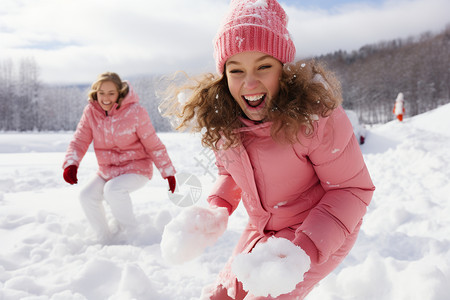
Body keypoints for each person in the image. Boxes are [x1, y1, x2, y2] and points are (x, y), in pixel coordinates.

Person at [160, 0, 375, 299]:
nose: (250, 82)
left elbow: (351, 189)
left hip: (321, 229)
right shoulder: (225, 121)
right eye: (236, 71)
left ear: (284, 70)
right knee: (221, 296)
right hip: (263, 226)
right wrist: (216, 208)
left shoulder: (314, 118)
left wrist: (302, 250)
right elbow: (231, 172)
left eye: (263, 66)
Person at [63, 72, 176, 243]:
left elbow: (153, 144)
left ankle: (133, 235)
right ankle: (104, 238)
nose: (105, 98)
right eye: (101, 93)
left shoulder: (136, 112)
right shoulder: (91, 112)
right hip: (107, 170)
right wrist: (71, 163)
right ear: (96, 93)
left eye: (111, 93)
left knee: (113, 190)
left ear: (119, 93)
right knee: (86, 195)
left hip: (136, 168)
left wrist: (167, 172)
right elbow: (79, 140)